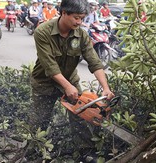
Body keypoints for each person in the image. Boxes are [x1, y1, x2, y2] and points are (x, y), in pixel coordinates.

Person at [28, 0, 114, 159]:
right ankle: (32, 153)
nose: (79, 22)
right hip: (44, 83)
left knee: (81, 117)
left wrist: (105, 87)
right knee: (40, 120)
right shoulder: (42, 32)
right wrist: (67, 87)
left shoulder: (81, 35)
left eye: (82, 18)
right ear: (64, 12)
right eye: (76, 17)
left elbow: (94, 62)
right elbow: (50, 66)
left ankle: (85, 152)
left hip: (70, 81)